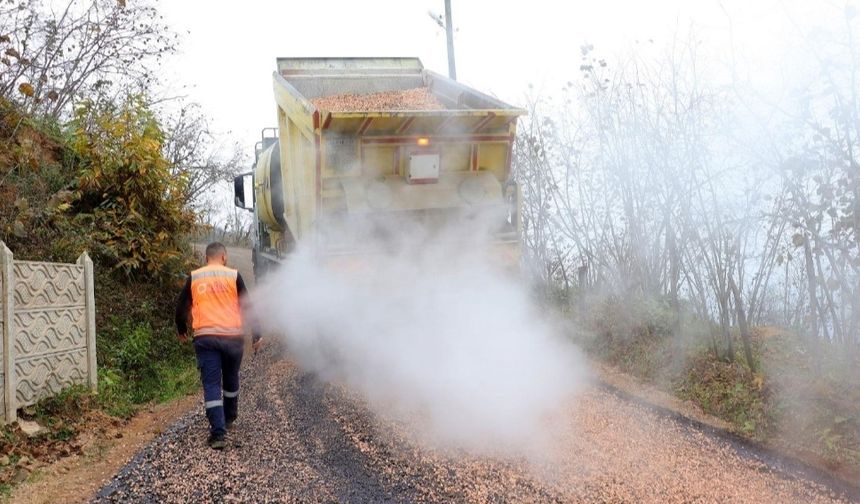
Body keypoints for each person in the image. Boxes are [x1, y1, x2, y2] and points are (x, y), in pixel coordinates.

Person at [175, 242, 263, 450]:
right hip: (233, 337)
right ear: (224, 257)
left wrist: (181, 329)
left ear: (207, 258)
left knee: (212, 384)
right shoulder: (233, 276)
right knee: (231, 377)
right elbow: (247, 306)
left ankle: (218, 434)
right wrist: (257, 333)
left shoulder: (195, 277)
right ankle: (230, 417)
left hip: (206, 338)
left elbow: (181, 307)